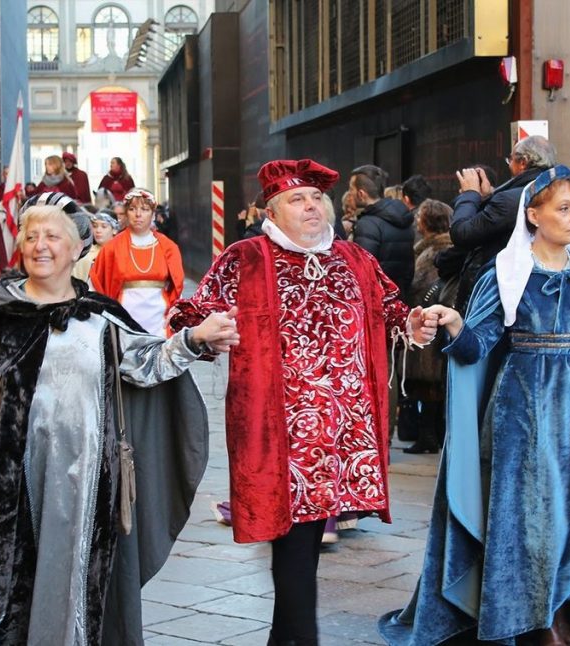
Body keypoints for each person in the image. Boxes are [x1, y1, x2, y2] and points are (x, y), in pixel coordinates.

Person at [0, 202, 239, 645]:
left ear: (77, 249)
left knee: (72, 588)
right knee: (7, 590)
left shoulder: (100, 319)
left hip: (83, 489)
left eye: (53, 237)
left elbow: (148, 363)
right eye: (31, 237)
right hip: (6, 492)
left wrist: (194, 338)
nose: (40, 246)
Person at [380, 165, 570, 645]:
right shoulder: (506, 275)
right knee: (533, 523)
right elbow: (475, 348)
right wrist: (452, 324)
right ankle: (540, 619)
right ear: (533, 215)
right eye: (563, 209)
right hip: (522, 417)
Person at [170, 158, 435, 645]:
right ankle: (302, 637)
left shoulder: (354, 258)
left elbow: (393, 310)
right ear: (273, 211)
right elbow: (190, 313)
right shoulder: (245, 257)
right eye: (298, 199)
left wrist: (412, 325)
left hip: (342, 430)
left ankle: (285, 638)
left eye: (317, 198)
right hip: (279, 432)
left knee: (310, 536)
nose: (311, 206)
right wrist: (206, 331)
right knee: (293, 537)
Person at [451, 136, 556, 312]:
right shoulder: (554, 191)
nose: (509, 165)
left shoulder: (510, 201)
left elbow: (462, 234)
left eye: (511, 159)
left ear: (523, 162)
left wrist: (470, 195)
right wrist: (488, 198)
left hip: (503, 290)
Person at [90, 188, 184, 337]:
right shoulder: (112, 248)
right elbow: (95, 283)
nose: (138, 214)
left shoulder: (168, 247)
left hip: (159, 322)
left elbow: (177, 286)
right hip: (123, 321)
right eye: (132, 209)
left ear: (153, 214)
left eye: (145, 209)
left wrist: (172, 311)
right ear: (126, 214)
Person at [403, 198, 454, 454]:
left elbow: (417, 287)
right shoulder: (452, 247)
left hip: (428, 324)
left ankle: (428, 435)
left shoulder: (429, 252)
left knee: (428, 384)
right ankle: (435, 434)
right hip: (446, 325)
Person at [350, 165, 415, 301]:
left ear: (361, 194)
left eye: (351, 189)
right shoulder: (403, 217)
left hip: (378, 300)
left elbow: (364, 271)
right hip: (400, 296)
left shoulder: (367, 223)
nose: (349, 194)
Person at [74, 210, 117, 283]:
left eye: (104, 226)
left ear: (114, 230)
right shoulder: (85, 252)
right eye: (95, 226)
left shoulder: (121, 251)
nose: (98, 230)